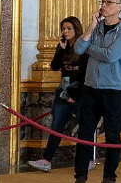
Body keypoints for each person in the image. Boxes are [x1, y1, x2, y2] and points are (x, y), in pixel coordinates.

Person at [73, 0, 121, 183]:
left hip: (112, 89)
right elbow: (78, 48)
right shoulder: (97, 27)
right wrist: (90, 27)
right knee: (85, 132)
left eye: (109, 2)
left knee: (112, 135)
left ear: (120, 7)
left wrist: (91, 49)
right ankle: (80, 176)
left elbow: (111, 55)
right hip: (91, 87)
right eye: (103, 1)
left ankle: (110, 178)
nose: (104, 5)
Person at [26, 17, 84, 172]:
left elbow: (85, 75)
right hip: (64, 92)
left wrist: (76, 94)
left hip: (80, 92)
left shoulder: (84, 48)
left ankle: (86, 159)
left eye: (69, 28)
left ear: (76, 30)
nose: (65, 31)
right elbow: (54, 66)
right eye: (63, 28)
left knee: (84, 127)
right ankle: (46, 160)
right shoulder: (63, 47)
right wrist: (62, 49)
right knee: (56, 126)